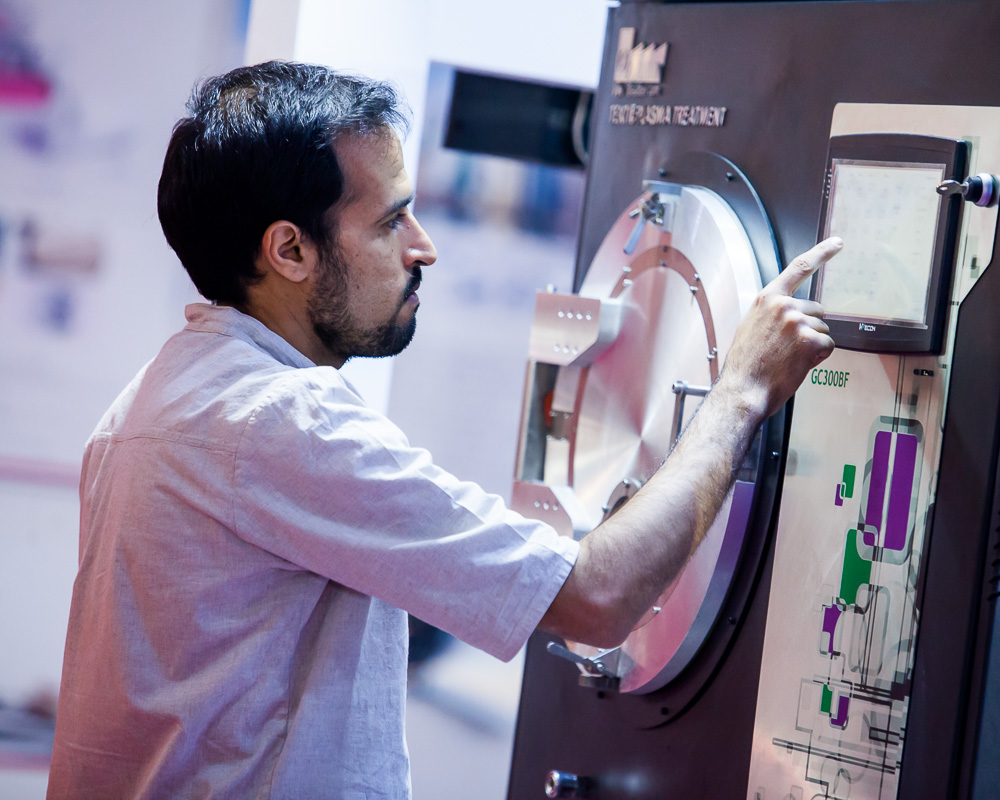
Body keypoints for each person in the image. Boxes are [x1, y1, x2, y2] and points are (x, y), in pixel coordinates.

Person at [46, 61, 840, 799]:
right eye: (392, 220)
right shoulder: (284, 421)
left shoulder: (148, 403)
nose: (423, 247)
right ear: (289, 249)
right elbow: (598, 598)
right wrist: (740, 391)